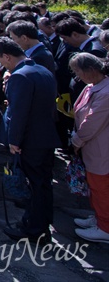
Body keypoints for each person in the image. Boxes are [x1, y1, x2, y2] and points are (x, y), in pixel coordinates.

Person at [0, 36, 60, 242]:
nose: (2, 66)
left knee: (34, 186)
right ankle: (42, 223)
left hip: (30, 140)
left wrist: (14, 141)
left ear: (7, 56)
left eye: (1, 61)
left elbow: (18, 113)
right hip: (46, 136)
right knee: (43, 185)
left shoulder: (20, 76)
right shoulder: (41, 70)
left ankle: (34, 228)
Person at [70, 53, 109, 243]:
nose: (77, 76)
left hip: (101, 148)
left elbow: (92, 122)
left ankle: (105, 227)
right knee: (95, 187)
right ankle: (100, 218)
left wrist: (76, 141)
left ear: (91, 70)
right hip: (92, 147)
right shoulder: (92, 87)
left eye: (79, 71)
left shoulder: (106, 92)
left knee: (102, 188)